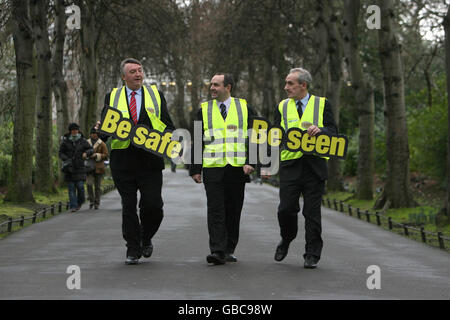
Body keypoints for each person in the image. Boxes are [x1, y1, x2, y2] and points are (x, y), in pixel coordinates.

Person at [96, 58, 175, 265]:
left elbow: (169, 126)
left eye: (140, 70)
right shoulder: (112, 96)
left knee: (153, 205)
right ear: (124, 77)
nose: (138, 74)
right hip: (123, 161)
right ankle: (132, 248)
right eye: (133, 71)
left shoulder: (156, 95)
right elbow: (104, 129)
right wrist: (98, 131)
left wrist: (165, 140)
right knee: (128, 206)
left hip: (150, 161)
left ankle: (145, 236)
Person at [271, 68, 338, 269]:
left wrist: (322, 131)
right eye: (286, 83)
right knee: (286, 209)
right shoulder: (282, 106)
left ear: (303, 85)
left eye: (290, 84)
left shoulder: (322, 104)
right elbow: (276, 134)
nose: (286, 87)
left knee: (312, 212)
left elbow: (334, 131)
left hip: (314, 166)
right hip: (290, 166)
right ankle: (287, 238)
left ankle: (312, 253)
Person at [190, 73, 255, 265]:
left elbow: (254, 136)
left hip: (237, 168)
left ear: (228, 87)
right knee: (215, 210)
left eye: (216, 85)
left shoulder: (245, 108)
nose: (212, 88)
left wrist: (251, 161)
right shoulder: (203, 110)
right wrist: (195, 168)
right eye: (211, 84)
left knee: (234, 210)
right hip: (213, 168)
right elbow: (197, 139)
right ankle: (217, 250)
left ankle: (229, 248)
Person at [59, 123, 93, 212]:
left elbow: (90, 149)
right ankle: (73, 206)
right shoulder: (65, 141)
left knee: (80, 187)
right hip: (69, 168)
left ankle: (80, 202)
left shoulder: (82, 140)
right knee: (71, 189)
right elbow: (61, 153)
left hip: (80, 167)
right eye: (73, 130)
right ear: (70, 131)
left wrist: (87, 153)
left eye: (76, 130)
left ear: (78, 130)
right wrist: (65, 158)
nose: (75, 131)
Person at [86, 126, 109, 210]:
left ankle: (97, 202)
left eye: (95, 133)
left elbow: (106, 155)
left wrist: (97, 155)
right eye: (92, 133)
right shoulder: (86, 142)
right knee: (89, 184)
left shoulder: (102, 143)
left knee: (97, 186)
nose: (94, 135)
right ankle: (91, 200)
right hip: (89, 167)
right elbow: (82, 152)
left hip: (99, 167)